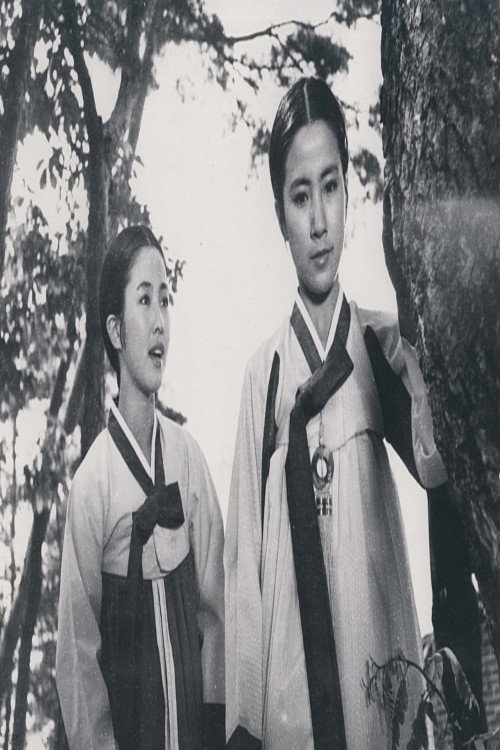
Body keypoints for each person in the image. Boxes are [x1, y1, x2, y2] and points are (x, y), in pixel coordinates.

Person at [224, 77, 448, 750]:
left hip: (375, 670)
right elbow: (242, 576)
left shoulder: (384, 348)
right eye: (300, 196)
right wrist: (246, 726)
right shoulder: (263, 376)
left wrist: (420, 375)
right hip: (291, 695)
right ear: (280, 214)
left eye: (330, 188)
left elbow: (440, 472)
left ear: (349, 194)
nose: (319, 221)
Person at [56, 225, 225, 750]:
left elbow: (219, 615)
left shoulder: (188, 459)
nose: (159, 323)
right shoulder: (92, 485)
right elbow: (78, 659)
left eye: (166, 301)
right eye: (144, 300)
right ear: (114, 329)